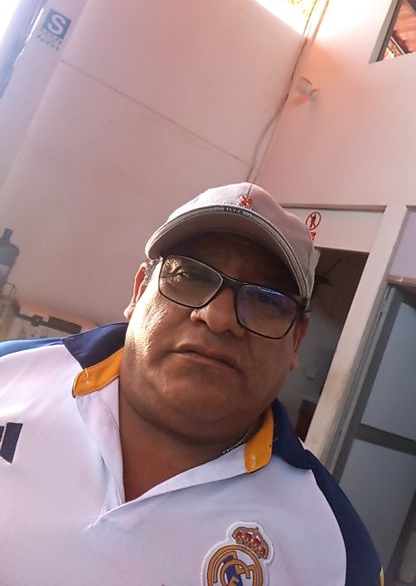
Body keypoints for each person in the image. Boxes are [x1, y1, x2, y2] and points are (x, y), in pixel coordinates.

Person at [0, 182, 382, 585]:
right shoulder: (8, 374)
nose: (218, 318)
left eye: (266, 299)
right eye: (190, 275)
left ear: (296, 340)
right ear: (139, 290)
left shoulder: (337, 556)